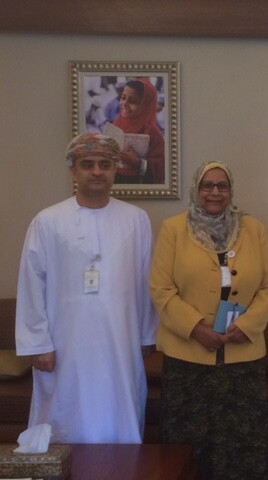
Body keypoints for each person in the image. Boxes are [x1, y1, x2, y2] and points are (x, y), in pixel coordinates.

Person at [15, 133, 158, 443]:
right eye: (88, 164)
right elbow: (31, 282)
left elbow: (147, 280)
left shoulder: (137, 220)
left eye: (104, 164)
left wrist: (148, 334)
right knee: (66, 416)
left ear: (115, 169)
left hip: (121, 340)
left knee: (121, 414)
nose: (96, 171)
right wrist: (38, 343)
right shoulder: (47, 221)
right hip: (66, 343)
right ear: (73, 171)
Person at [150, 161, 268, 480]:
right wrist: (196, 328)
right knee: (189, 441)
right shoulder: (173, 229)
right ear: (196, 190)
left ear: (231, 191)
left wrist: (247, 326)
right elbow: (161, 288)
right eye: (207, 185)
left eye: (222, 186)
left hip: (242, 358)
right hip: (188, 358)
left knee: (241, 440)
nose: (215, 192)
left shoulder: (254, 229)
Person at [113, 78, 165, 184]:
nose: (125, 103)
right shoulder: (118, 123)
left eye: (132, 101)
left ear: (145, 106)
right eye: (123, 98)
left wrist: (138, 162)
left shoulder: (154, 134)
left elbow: (161, 171)